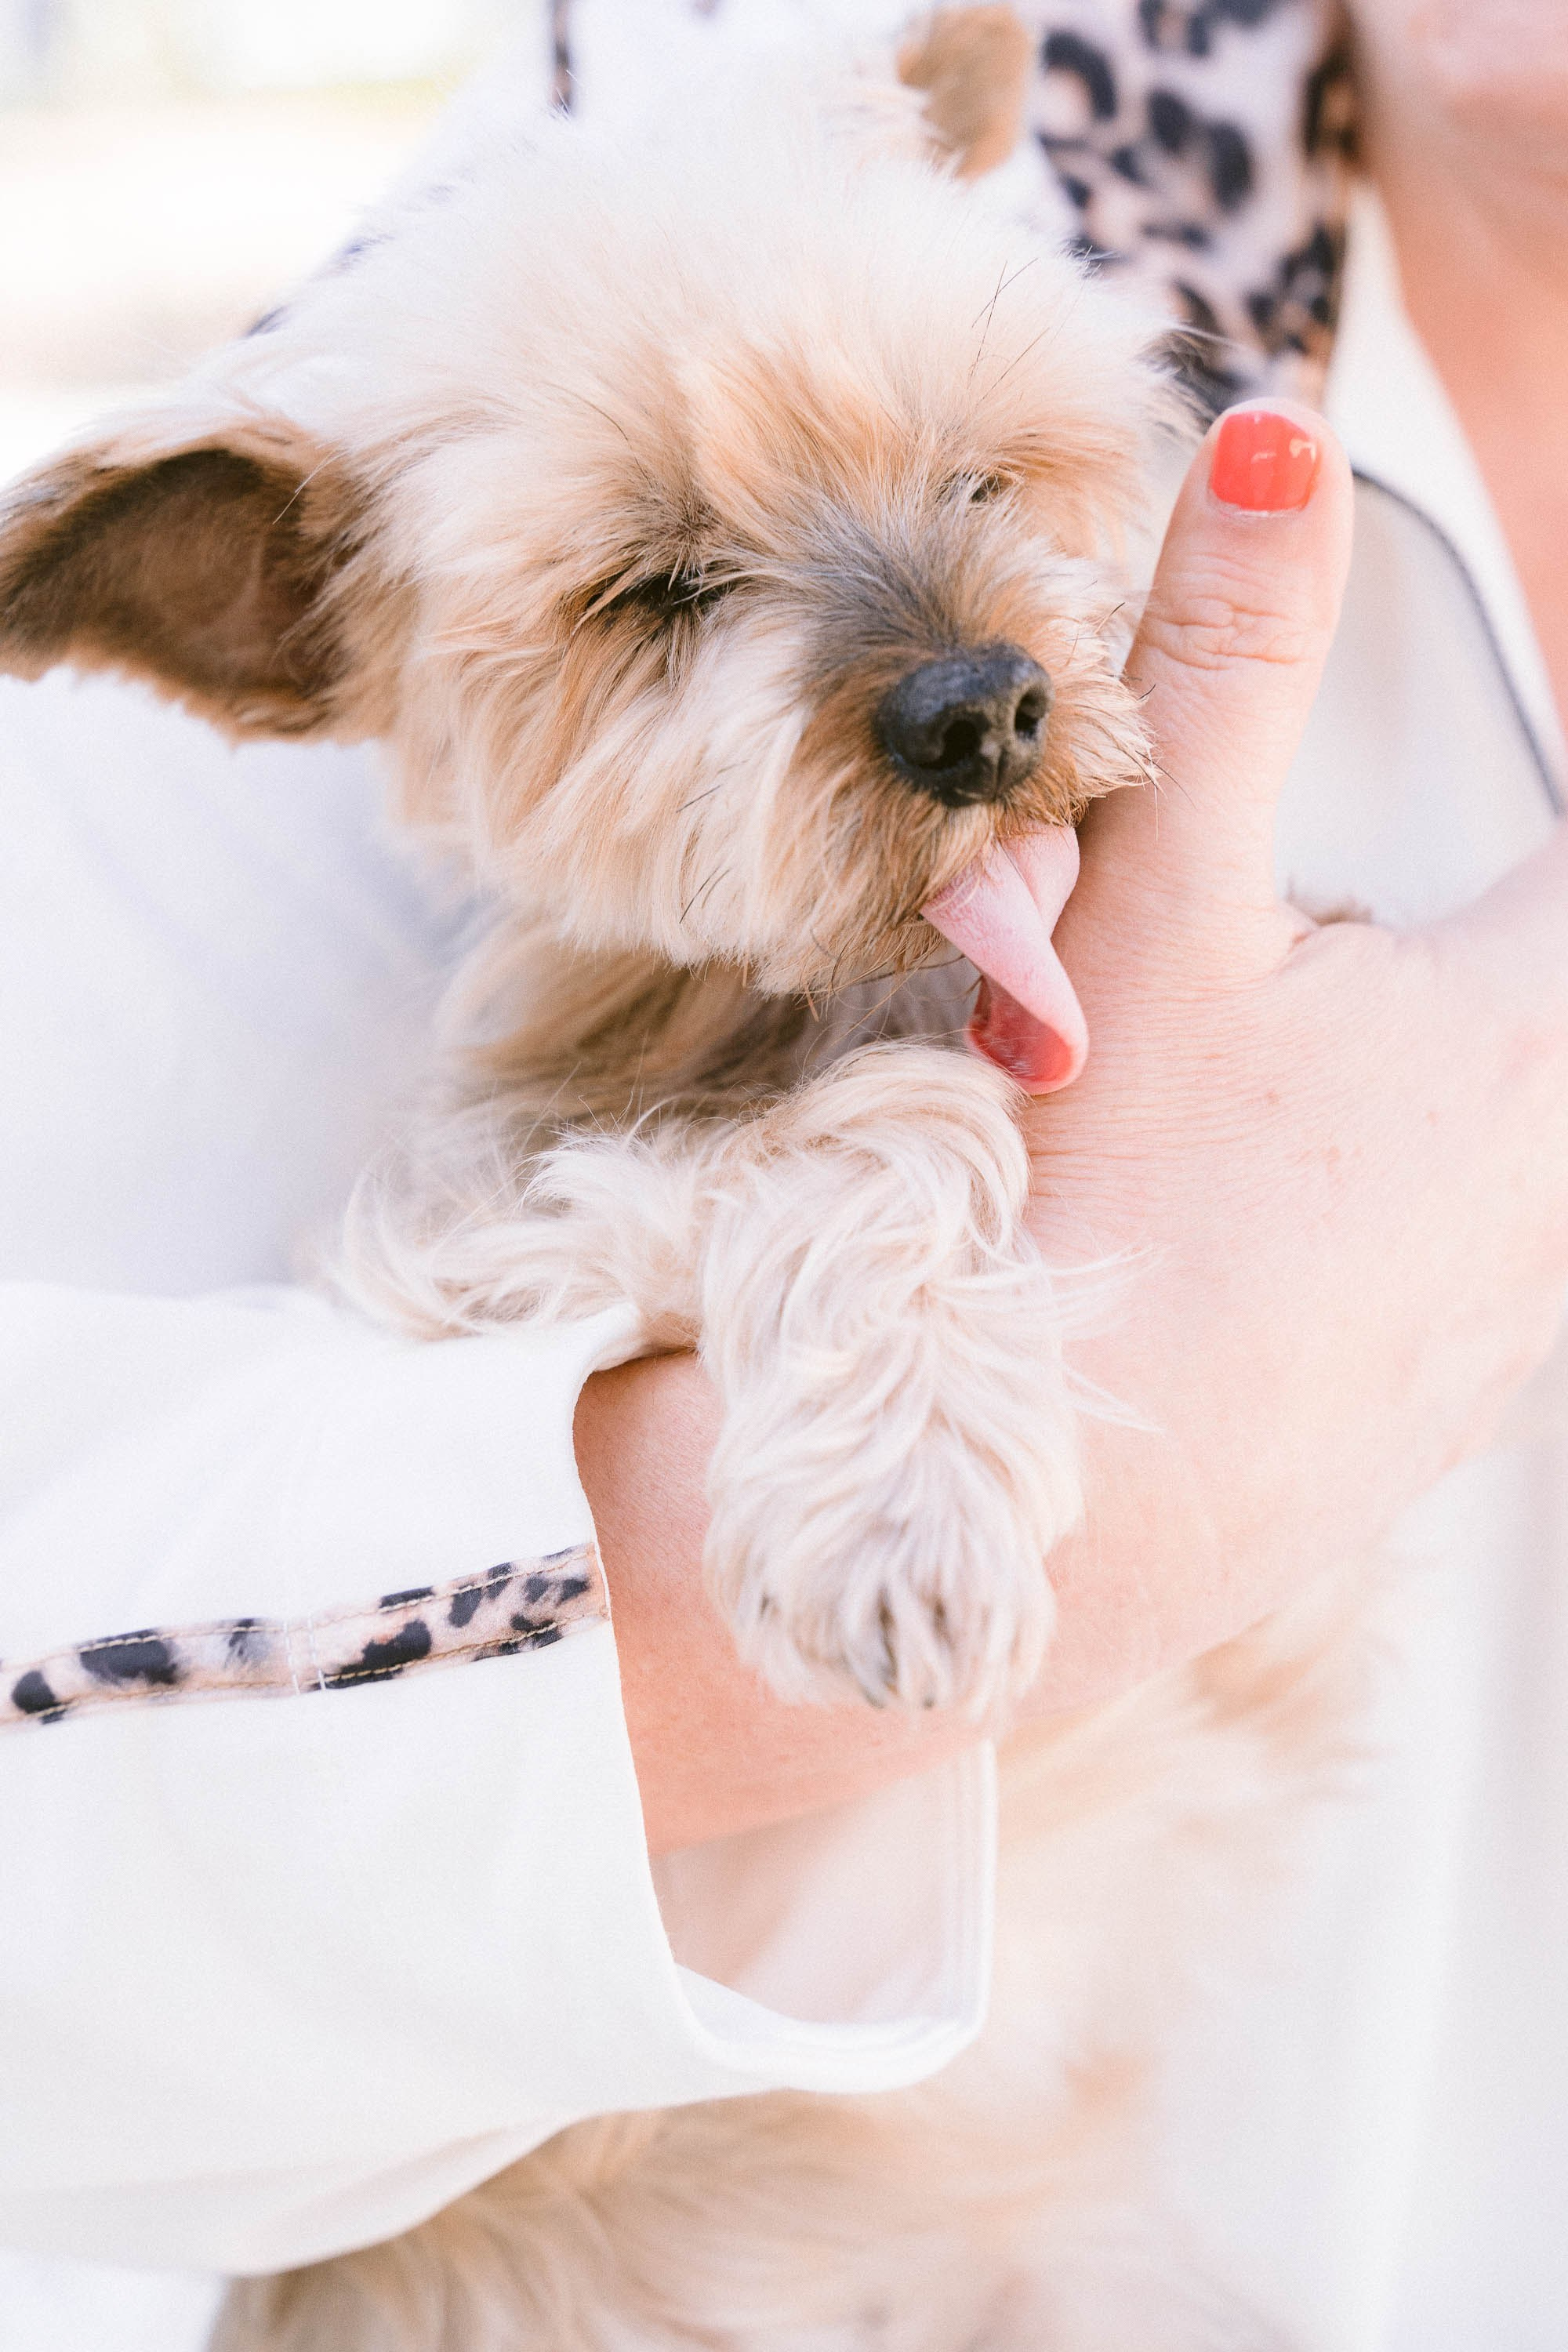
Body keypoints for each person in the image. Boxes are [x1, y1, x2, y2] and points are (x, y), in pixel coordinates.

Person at [2, 1, 1566, 2344]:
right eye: (660, 596)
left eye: (988, 475)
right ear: (289, 630)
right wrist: (982, 1310)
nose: (958, 670)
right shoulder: (641, 132)